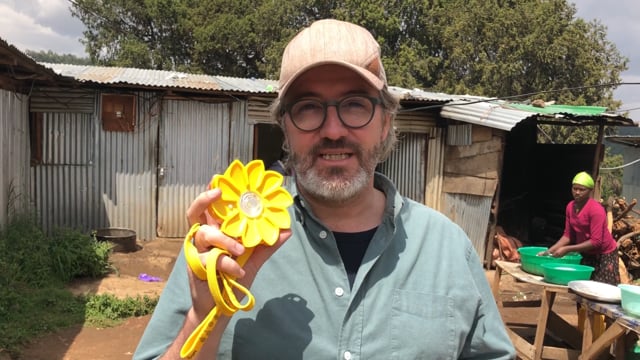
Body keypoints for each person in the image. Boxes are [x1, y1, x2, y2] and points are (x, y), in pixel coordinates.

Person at [134, 19, 515, 359]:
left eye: (354, 104)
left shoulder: (447, 247)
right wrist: (206, 314)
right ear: (285, 127)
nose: (332, 130)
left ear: (385, 122)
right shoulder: (226, 244)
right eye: (308, 107)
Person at [541, 171, 620, 285]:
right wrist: (549, 251)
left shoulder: (596, 210)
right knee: (582, 289)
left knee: (602, 292)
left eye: (582, 189)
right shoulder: (570, 207)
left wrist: (567, 249)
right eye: (574, 188)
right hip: (586, 253)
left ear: (590, 191)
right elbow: (568, 235)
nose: (577, 192)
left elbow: (596, 242)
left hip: (604, 255)